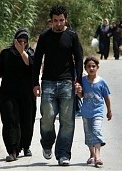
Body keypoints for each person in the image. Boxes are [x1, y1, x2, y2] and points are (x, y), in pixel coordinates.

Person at [32, 5, 83, 166]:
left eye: (61, 20)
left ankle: (63, 154)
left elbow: (79, 59)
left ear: (65, 19)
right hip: (48, 83)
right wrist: (35, 83)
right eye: (55, 21)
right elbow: (37, 60)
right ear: (51, 21)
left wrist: (78, 81)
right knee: (47, 117)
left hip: (67, 82)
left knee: (67, 121)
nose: (59, 24)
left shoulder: (72, 36)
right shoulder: (45, 37)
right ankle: (47, 143)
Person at [0, 28, 36, 161]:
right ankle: (12, 150)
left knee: (27, 121)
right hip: (9, 93)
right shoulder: (6, 53)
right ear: (14, 40)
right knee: (10, 120)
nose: (22, 43)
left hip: (27, 94)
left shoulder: (30, 53)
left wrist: (22, 52)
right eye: (19, 41)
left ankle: (25, 145)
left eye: (24, 41)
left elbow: (32, 67)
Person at [76, 56, 112, 168]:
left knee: (96, 130)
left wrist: (109, 110)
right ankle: (91, 154)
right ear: (85, 68)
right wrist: (78, 92)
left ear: (97, 67)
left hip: (98, 112)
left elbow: (106, 97)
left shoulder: (101, 82)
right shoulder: (83, 81)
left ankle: (98, 156)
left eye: (93, 66)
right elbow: (81, 96)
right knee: (88, 134)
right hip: (86, 112)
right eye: (88, 66)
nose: (91, 68)